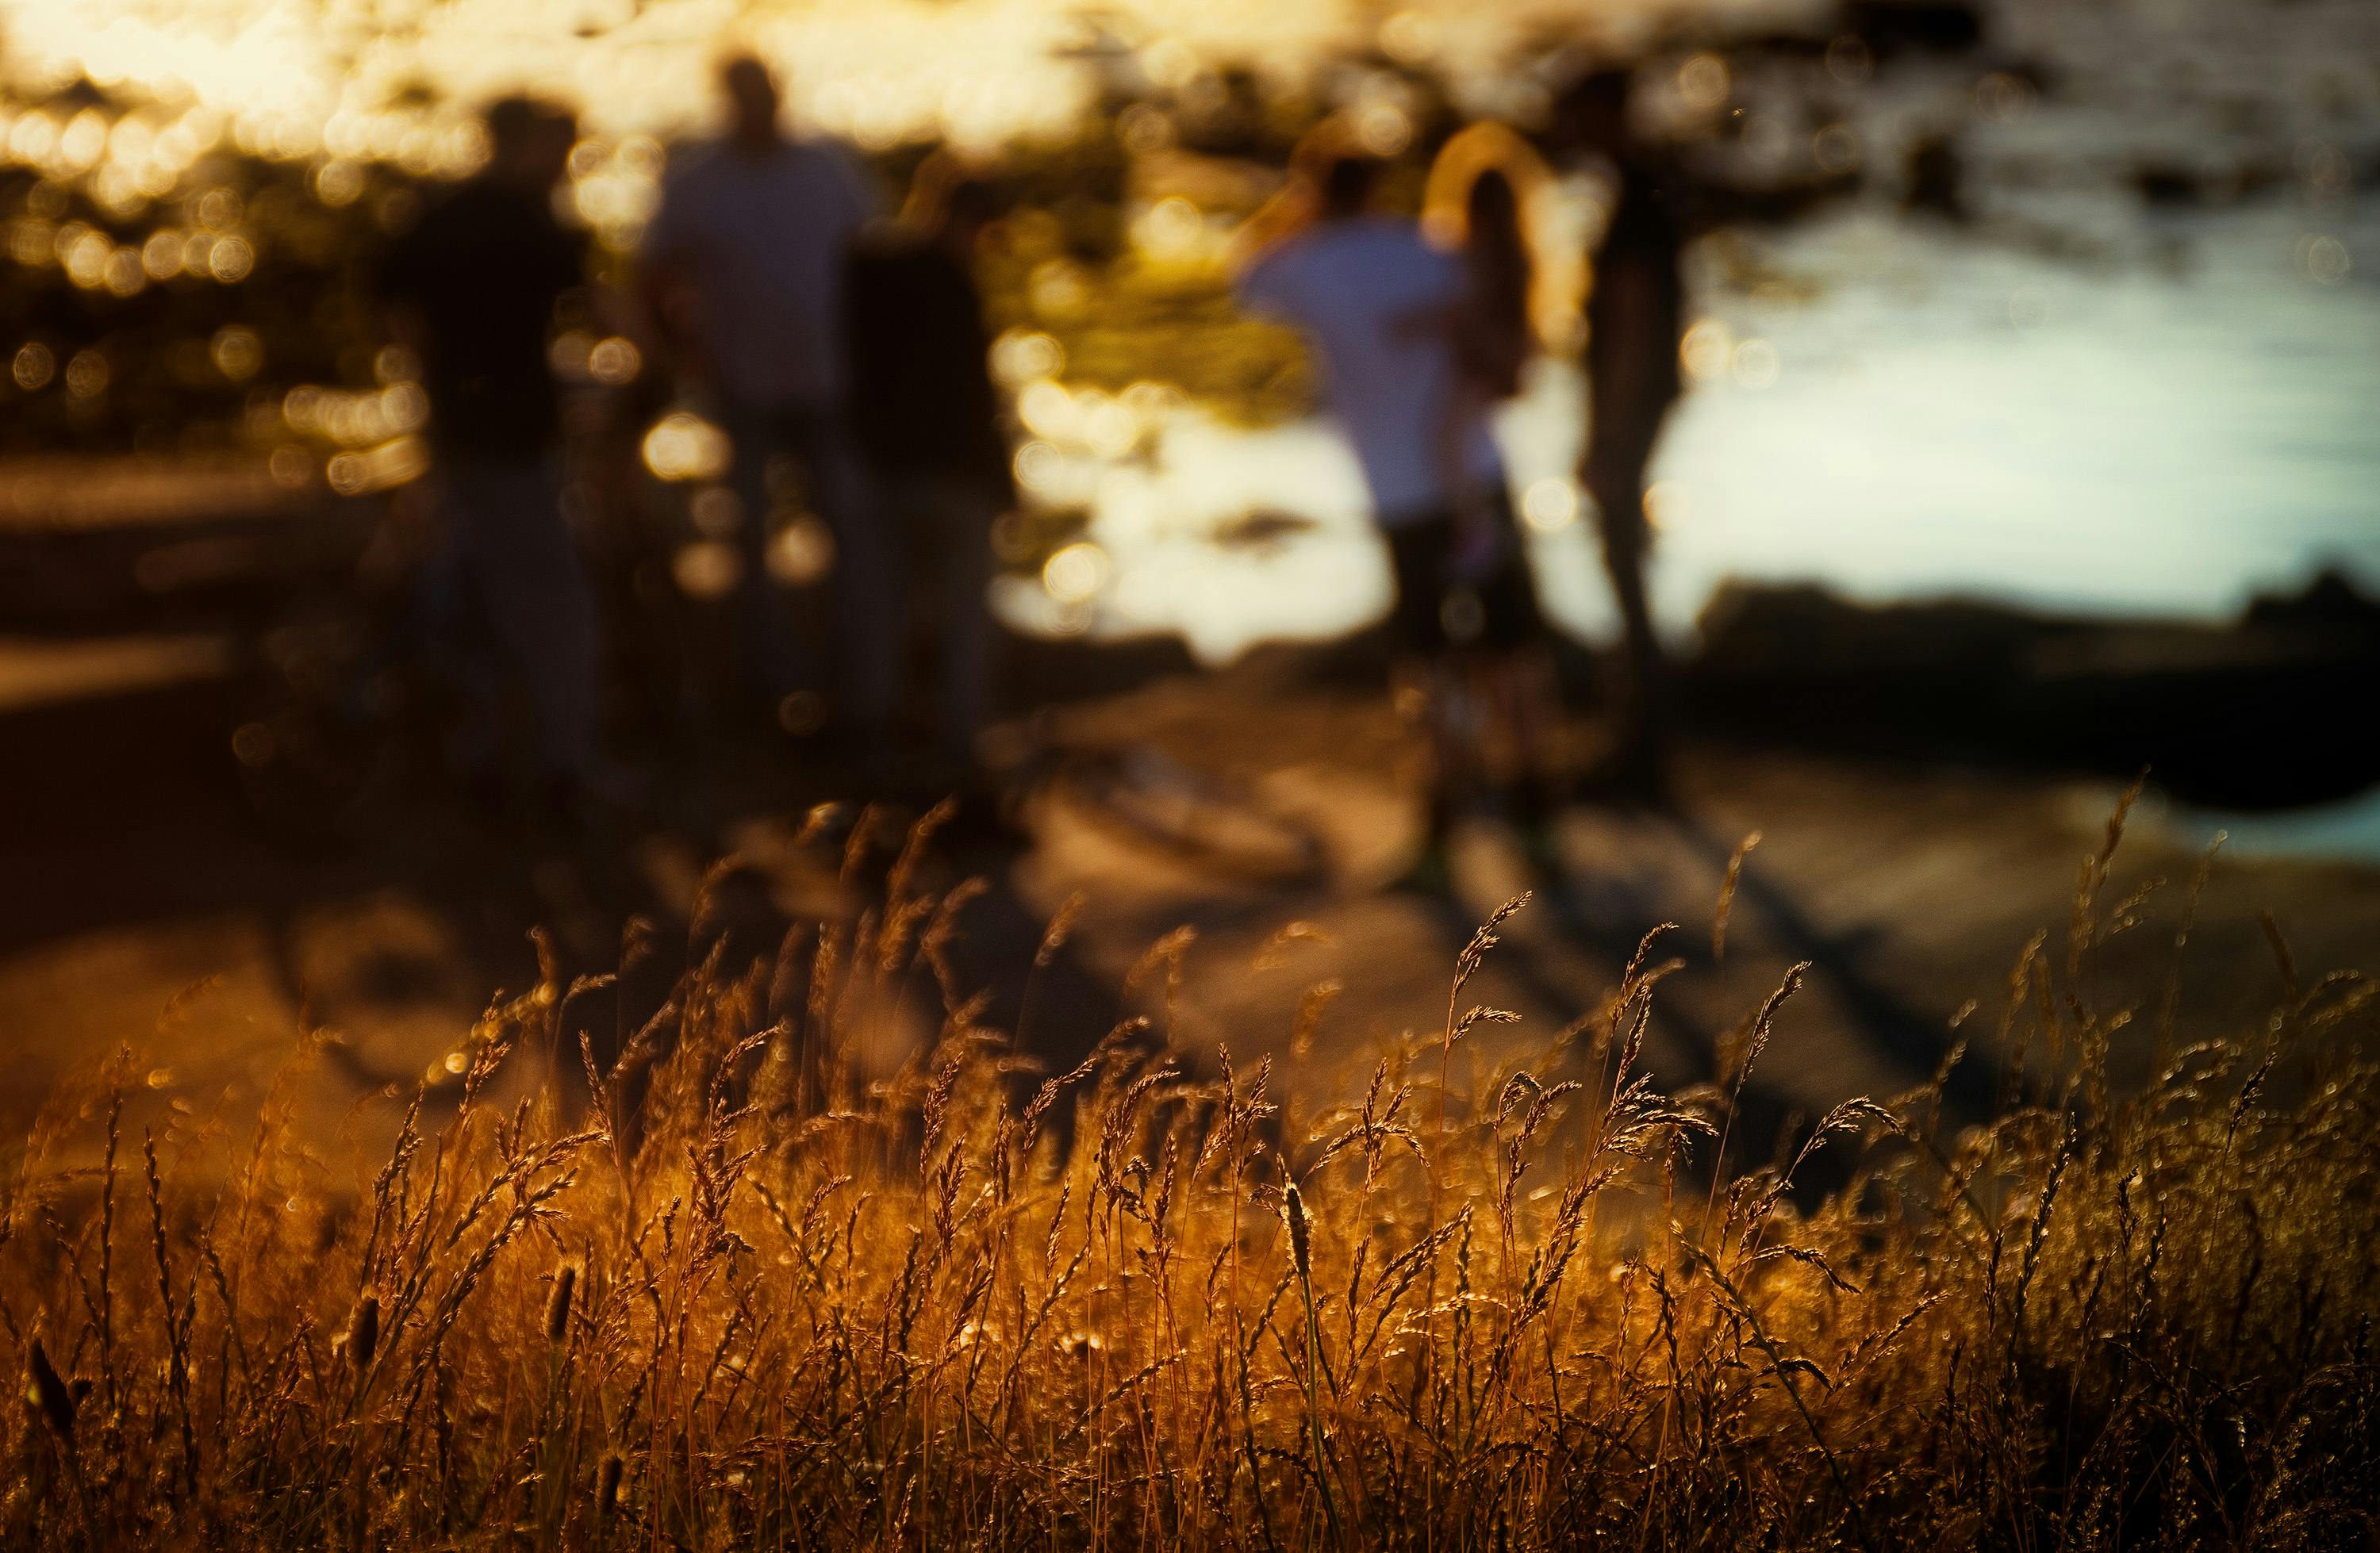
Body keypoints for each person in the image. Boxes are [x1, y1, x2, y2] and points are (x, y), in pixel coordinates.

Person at [1234, 140, 1541, 884]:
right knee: (1514, 655)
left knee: (1429, 667)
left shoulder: (1300, 263)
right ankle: (1540, 821)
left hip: (1401, 494)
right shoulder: (1430, 248)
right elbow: (1495, 351)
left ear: (1317, 190)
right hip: (1480, 475)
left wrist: (1293, 211)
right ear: (1379, 188)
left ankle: (1440, 836)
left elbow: (1242, 277)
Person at [639, 54, 895, 749]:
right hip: (742, 387)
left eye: (768, 93)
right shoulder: (697, 180)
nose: (761, 105)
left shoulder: (828, 167)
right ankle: (770, 694)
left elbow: (874, 263)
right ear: (727, 101)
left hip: (829, 384)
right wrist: (680, 354)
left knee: (850, 532)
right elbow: (654, 274)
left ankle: (865, 700)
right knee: (748, 541)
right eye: (746, 96)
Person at [380, 95, 610, 810]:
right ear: (525, 144)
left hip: (454, 426)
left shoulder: (437, 215)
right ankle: (565, 767)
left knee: (477, 589)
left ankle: (477, 756)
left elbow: (395, 316)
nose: (565, 163)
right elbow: (602, 312)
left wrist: (433, 394)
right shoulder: (534, 225)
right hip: (512, 437)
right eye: (559, 146)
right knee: (555, 601)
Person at [844, 158, 1012, 783]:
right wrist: (1005, 485)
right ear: (971, 220)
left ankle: (876, 735)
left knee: (882, 609)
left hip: (879, 468)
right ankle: (960, 744)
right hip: (953, 475)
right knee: (966, 616)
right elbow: (975, 397)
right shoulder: (952, 284)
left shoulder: (869, 267)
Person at [1552, 69, 1683, 801]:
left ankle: (1639, 758)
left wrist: (1607, 438)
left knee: (1625, 575)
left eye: (1577, 115)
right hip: (1639, 412)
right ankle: (1636, 749)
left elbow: (1635, 327)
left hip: (1628, 419)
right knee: (1628, 574)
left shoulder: (1634, 201)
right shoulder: (1645, 192)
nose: (1568, 132)